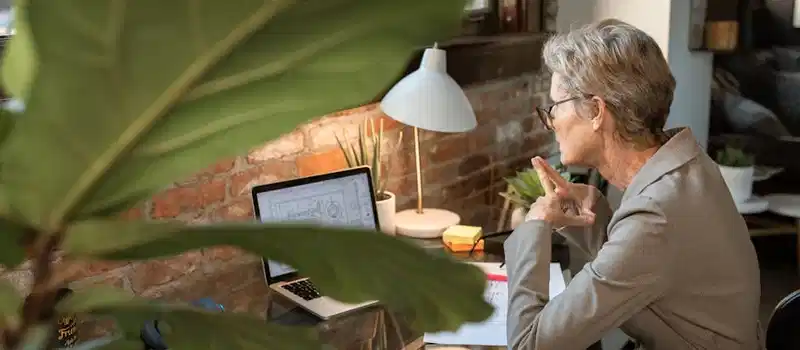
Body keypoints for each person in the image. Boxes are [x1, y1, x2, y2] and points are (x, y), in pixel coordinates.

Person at [504, 19, 762, 350]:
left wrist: (535, 226)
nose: (551, 121)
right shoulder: (686, 165)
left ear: (597, 111)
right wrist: (596, 210)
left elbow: (528, 344)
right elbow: (646, 274)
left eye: (555, 106)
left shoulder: (656, 215)